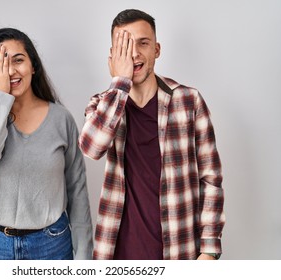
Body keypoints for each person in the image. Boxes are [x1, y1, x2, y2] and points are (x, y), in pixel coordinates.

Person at [78, 9, 225, 260]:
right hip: (119, 255)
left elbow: (210, 178)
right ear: (113, 56)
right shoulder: (102, 104)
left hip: (179, 249)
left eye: (142, 43)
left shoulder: (189, 100)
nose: (134, 53)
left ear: (156, 50)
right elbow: (92, 148)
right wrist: (120, 82)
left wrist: (209, 249)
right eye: (124, 46)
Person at [0, 28, 93, 260]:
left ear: (33, 66)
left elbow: (77, 190)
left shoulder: (61, 119)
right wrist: (0, 96)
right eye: (1, 64)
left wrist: (84, 255)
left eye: (18, 60)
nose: (11, 70)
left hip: (50, 245)